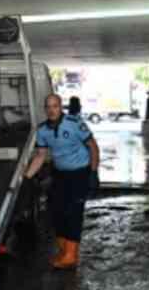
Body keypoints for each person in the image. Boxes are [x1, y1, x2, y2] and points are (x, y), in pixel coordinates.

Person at [24, 94, 100, 269]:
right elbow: (41, 155)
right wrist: (27, 177)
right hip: (60, 175)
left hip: (80, 174)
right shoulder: (42, 130)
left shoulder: (74, 124)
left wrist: (94, 173)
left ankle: (71, 255)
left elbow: (93, 146)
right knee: (58, 212)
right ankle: (64, 251)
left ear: (61, 107)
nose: (51, 110)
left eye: (55, 106)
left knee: (74, 213)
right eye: (48, 107)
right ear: (45, 109)